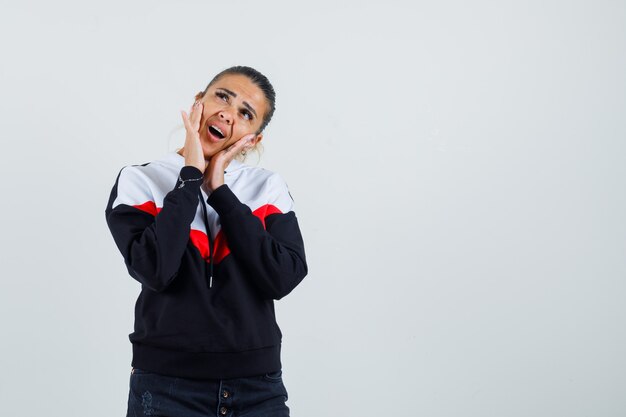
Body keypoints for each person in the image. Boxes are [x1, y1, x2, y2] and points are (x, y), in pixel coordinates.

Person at [104, 65, 308, 417]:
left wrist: (221, 192)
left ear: (254, 138)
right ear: (199, 101)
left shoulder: (267, 188)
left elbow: (283, 277)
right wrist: (190, 178)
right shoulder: (140, 179)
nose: (229, 114)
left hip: (257, 389)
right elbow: (155, 269)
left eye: (246, 113)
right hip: (166, 387)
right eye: (223, 97)